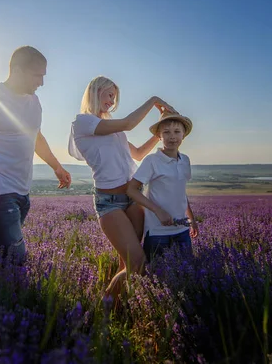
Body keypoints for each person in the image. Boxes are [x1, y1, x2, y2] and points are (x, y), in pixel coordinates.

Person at [0, 46, 72, 262]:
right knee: (15, 261)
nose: (41, 83)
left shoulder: (34, 101)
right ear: (17, 70)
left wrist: (57, 166)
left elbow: (36, 137)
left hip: (22, 194)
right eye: (37, 75)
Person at [68, 75, 175, 299]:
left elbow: (137, 154)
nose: (112, 101)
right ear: (96, 92)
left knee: (126, 264)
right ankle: (106, 308)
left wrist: (158, 135)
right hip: (110, 204)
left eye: (114, 97)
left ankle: (119, 308)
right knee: (137, 263)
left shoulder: (111, 129)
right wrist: (154, 99)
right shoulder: (83, 122)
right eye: (109, 95)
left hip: (132, 199)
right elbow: (128, 123)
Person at [126, 111, 199, 263]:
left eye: (177, 131)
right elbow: (131, 190)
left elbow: (180, 191)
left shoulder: (185, 160)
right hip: (157, 232)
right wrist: (158, 210)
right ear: (159, 137)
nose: (172, 136)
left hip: (182, 229)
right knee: (157, 277)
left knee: (186, 274)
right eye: (166, 132)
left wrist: (191, 219)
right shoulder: (152, 160)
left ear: (183, 135)